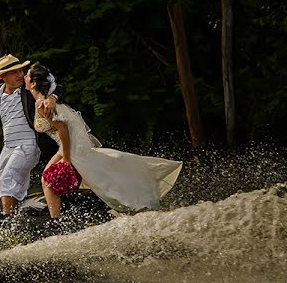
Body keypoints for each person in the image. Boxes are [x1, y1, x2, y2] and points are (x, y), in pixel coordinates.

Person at [25, 63, 183, 218]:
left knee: (48, 180)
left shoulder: (43, 104)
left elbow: (63, 129)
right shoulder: (42, 99)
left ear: (33, 83)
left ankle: (56, 220)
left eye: (27, 75)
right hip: (66, 145)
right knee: (63, 179)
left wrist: (66, 159)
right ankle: (69, 213)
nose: (24, 76)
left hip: (70, 146)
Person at [0, 54, 64, 215]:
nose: (20, 74)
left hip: (29, 144)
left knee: (8, 178)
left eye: (20, 70)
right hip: (8, 147)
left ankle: (8, 223)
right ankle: (18, 218)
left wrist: (52, 98)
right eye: (14, 72)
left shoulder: (29, 89)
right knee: (4, 185)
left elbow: (59, 87)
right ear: (2, 76)